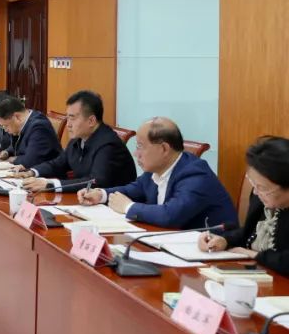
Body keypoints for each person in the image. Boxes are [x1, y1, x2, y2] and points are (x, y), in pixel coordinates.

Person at [78, 117, 235, 229]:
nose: (135, 153)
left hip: (215, 253)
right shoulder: (156, 169)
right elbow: (134, 189)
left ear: (164, 149)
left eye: (140, 146)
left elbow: (171, 215)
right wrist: (101, 194)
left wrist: (128, 207)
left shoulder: (195, 174)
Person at [199, 136, 289, 274]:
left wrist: (255, 255)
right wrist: (224, 240)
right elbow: (248, 232)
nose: (256, 192)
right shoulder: (260, 198)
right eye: (253, 184)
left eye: (262, 188)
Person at [16, 91, 136, 192]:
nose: (68, 124)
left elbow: (96, 182)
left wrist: (50, 184)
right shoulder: (78, 139)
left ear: (91, 121)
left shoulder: (109, 145)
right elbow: (58, 164)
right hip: (85, 200)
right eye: (67, 118)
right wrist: (32, 172)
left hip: (111, 207)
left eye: (72, 118)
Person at [0, 96, 61, 168]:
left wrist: (10, 160)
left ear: (17, 117)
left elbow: (30, 161)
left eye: (6, 126)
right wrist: (6, 153)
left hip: (47, 173)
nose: (5, 130)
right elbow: (20, 146)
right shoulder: (23, 123)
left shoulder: (39, 127)